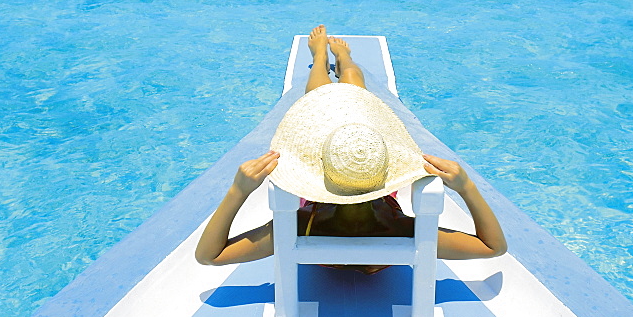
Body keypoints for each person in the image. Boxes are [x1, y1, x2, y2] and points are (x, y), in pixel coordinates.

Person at [195, 25, 507, 268]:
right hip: (360, 164)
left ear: (320, 176)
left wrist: (238, 191)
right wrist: (467, 188)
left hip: (339, 162)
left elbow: (209, 256)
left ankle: (320, 58)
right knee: (353, 81)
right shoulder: (402, 230)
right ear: (383, 183)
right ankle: (344, 60)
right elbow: (493, 247)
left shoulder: (301, 226)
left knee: (320, 94)